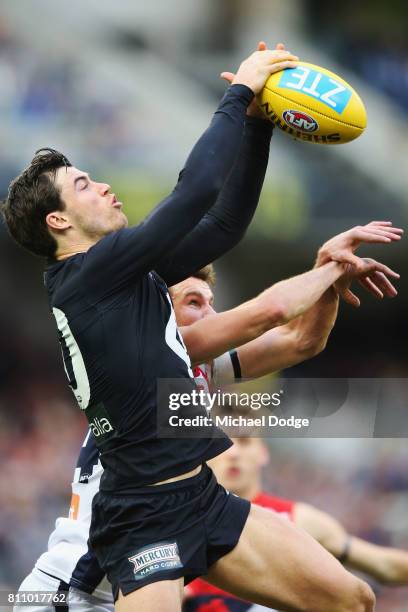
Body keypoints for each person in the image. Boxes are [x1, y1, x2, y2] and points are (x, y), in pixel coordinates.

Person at [2, 44, 380, 611]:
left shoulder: (121, 278)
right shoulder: (84, 277)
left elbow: (222, 223)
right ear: (58, 222)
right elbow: (196, 193)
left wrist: (257, 130)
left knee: (352, 600)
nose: (102, 187)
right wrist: (240, 93)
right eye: (83, 185)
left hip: (198, 496)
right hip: (140, 515)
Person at [13, 222, 401, 611]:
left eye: (211, 302)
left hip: (169, 528)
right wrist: (330, 267)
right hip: (76, 588)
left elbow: (299, 340)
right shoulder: (141, 356)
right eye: (194, 303)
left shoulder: (195, 366)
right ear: (156, 313)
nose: (211, 315)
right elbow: (273, 312)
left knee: (352, 600)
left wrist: (328, 279)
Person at [185, 437, 408, 611]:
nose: (233, 453)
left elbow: (384, 566)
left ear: (263, 452)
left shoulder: (300, 520)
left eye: (243, 441)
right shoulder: (181, 524)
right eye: (222, 443)